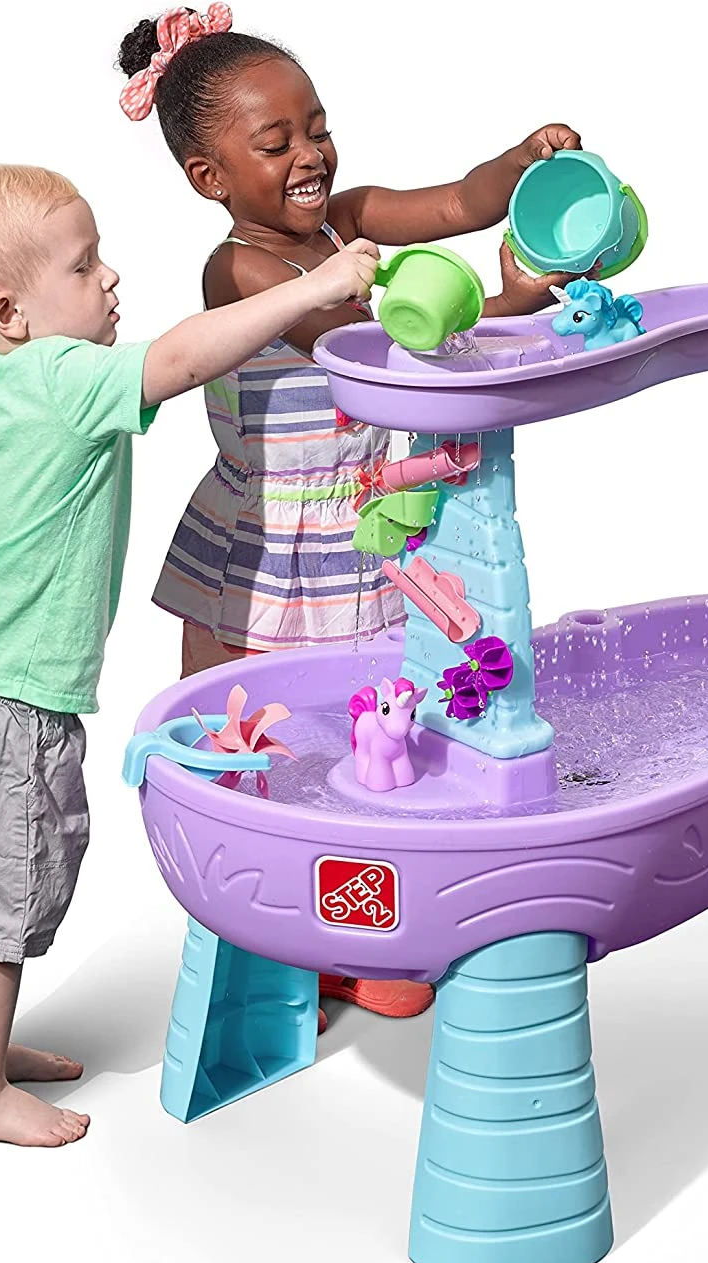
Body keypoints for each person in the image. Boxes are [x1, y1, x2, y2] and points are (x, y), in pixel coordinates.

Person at [117, 5, 583, 1026]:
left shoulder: (352, 216)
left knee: (375, 724)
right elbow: (364, 344)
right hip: (271, 553)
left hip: (365, 531)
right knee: (263, 738)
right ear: (209, 177)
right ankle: (282, 928)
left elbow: (458, 200)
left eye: (318, 128)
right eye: (275, 142)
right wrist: (509, 305)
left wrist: (523, 162)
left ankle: (364, 920)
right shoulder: (238, 270)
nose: (310, 155)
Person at [0, 162, 377, 1146]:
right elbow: (182, 359)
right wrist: (313, 288)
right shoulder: (62, 377)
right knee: (7, 898)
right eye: (84, 267)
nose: (110, 276)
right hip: (11, 707)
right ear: (11, 312)